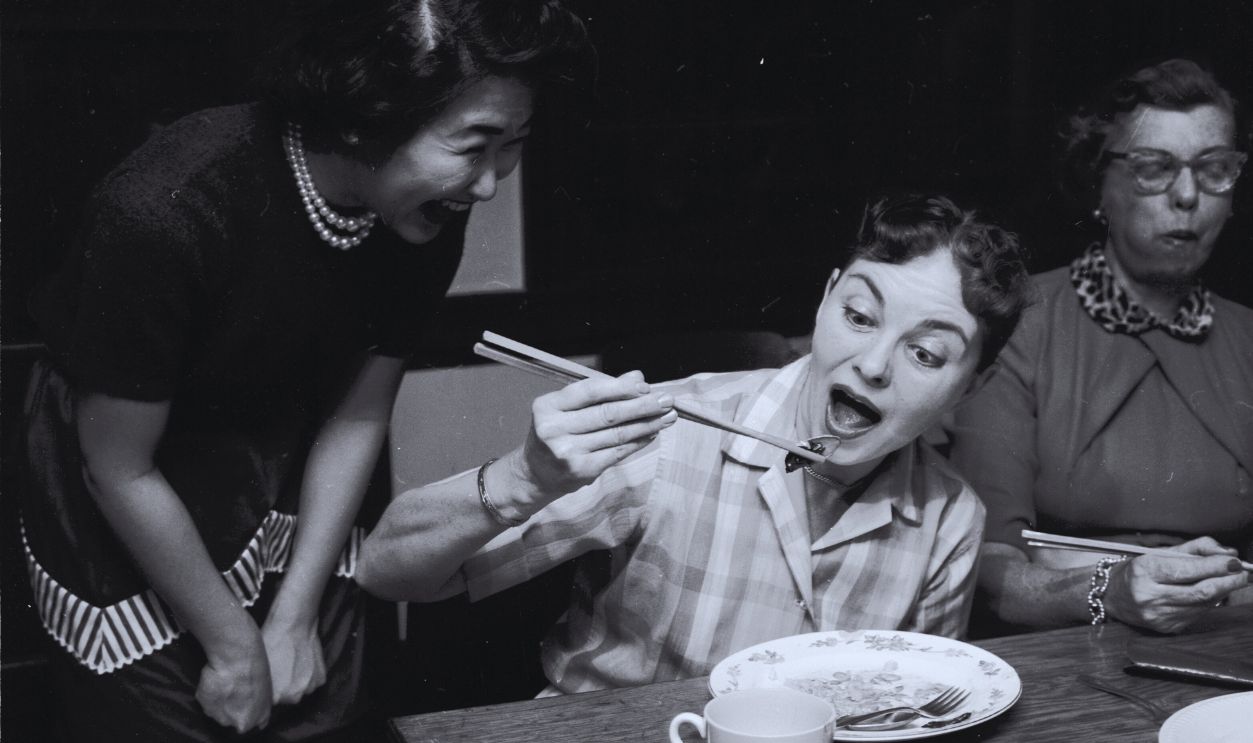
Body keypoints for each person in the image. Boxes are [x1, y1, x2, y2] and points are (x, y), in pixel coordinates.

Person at [20, 1, 591, 739]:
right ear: (363, 118)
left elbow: (358, 413)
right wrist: (233, 646)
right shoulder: (166, 209)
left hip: (287, 453)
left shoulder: (426, 211)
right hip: (134, 476)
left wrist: (291, 618)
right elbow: (117, 467)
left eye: (512, 143)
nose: (489, 183)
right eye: (473, 144)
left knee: (320, 689)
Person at [357, 194, 1032, 693]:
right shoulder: (669, 430)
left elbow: (922, 712)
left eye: (924, 352)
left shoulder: (949, 519)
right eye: (858, 315)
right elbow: (387, 570)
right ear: (825, 300)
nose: (873, 363)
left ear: (972, 384)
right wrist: (520, 480)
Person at [949, 58, 1252, 637]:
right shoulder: (1022, 322)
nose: (1188, 195)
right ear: (1097, 185)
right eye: (1153, 168)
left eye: (1214, 168)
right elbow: (989, 570)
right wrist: (1105, 588)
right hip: (1064, 654)